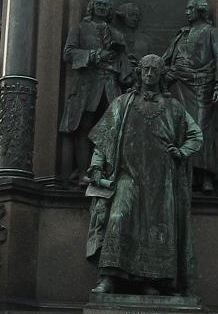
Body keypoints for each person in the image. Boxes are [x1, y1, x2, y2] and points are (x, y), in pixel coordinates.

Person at [85, 53, 203, 296]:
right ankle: (108, 277)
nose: (149, 74)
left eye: (154, 70)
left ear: (161, 75)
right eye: (146, 69)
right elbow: (104, 140)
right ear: (139, 72)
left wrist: (181, 151)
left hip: (161, 180)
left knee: (156, 231)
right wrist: (96, 166)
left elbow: (196, 135)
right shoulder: (123, 103)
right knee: (118, 217)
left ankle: (149, 281)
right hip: (128, 175)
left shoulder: (173, 107)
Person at [161, 0, 218, 191]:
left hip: (201, 86)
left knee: (200, 129)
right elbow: (166, 59)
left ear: (201, 11)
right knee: (179, 129)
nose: (187, 12)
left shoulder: (212, 33)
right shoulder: (182, 34)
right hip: (178, 85)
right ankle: (184, 175)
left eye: (190, 8)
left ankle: (206, 175)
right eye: (187, 8)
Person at [60, 0, 129, 182]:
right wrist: (94, 55)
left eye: (105, 5)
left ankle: (109, 172)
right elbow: (68, 53)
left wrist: (129, 75)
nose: (101, 7)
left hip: (111, 85)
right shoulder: (79, 29)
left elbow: (123, 59)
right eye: (98, 4)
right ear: (92, 6)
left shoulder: (117, 34)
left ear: (110, 9)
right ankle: (83, 172)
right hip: (87, 85)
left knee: (112, 128)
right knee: (84, 126)